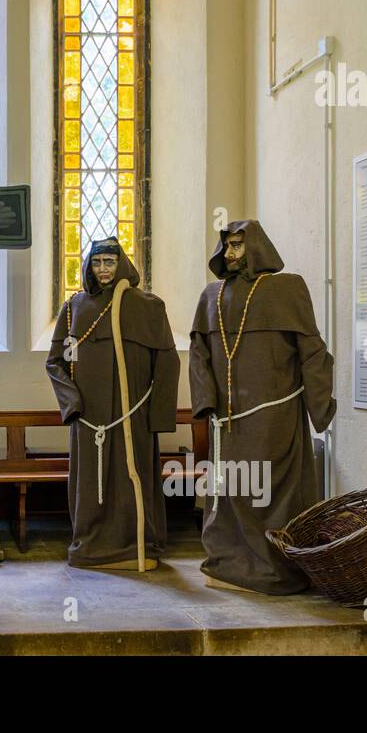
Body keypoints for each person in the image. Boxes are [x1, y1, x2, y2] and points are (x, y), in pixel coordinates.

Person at [189, 219, 336, 594]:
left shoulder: (287, 289)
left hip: (275, 417)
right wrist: (206, 403)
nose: (232, 253)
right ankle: (229, 563)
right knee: (231, 491)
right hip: (228, 421)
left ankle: (276, 567)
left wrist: (321, 406)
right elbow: (199, 356)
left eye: (239, 245)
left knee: (273, 494)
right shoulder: (212, 296)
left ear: (256, 247)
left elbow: (312, 351)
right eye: (228, 246)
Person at [46, 237, 179, 569]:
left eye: (109, 261)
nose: (103, 269)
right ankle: (92, 545)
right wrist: (72, 404)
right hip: (89, 417)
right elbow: (56, 362)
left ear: (121, 264)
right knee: (93, 484)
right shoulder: (75, 308)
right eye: (96, 262)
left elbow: (167, 362)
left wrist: (158, 416)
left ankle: (136, 544)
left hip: (133, 415)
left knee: (132, 480)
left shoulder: (148, 306)